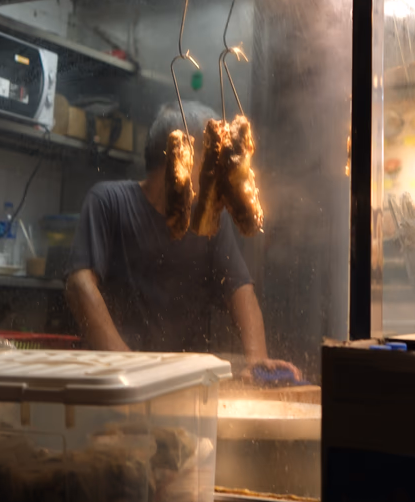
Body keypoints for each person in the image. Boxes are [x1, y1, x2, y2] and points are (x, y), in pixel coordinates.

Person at [65, 100, 301, 379]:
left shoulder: (208, 220)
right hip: (115, 380)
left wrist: (257, 359)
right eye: (211, 162)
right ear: (180, 158)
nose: (218, 175)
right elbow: (80, 285)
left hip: (186, 380)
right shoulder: (109, 202)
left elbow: (241, 290)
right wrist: (128, 365)